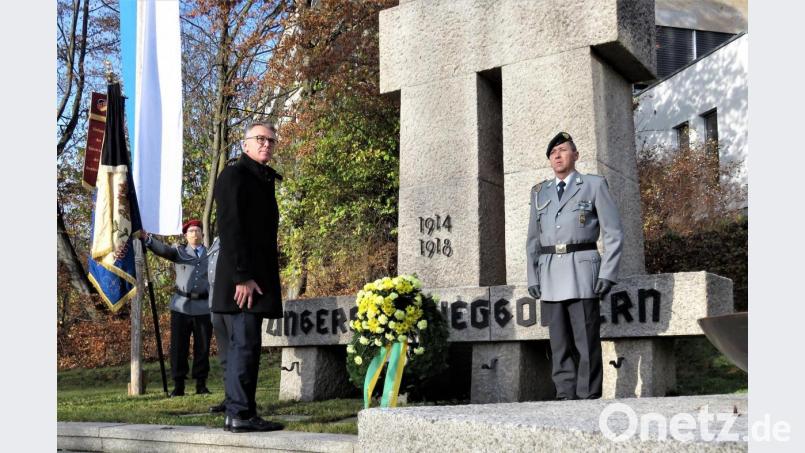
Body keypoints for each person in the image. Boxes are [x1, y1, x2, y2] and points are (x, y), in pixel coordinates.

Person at [525, 132, 624, 400]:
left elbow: (613, 233)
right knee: (558, 343)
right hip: (550, 276)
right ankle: (565, 394)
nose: (557, 156)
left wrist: (608, 273)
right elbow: (533, 240)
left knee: (586, 341)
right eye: (552, 152)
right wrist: (532, 277)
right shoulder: (539, 192)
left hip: (582, 273)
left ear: (576, 155)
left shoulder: (593, 185)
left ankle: (588, 395)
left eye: (562, 150)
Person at [212, 121, 284, 433]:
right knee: (245, 345)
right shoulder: (234, 175)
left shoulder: (260, 178)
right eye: (260, 139)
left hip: (253, 276)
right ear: (245, 145)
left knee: (247, 345)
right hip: (243, 280)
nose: (266, 144)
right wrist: (242, 276)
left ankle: (239, 412)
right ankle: (241, 414)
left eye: (271, 140)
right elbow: (230, 227)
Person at [144, 219, 213, 397]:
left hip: (204, 307)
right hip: (181, 306)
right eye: (191, 231)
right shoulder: (180, 252)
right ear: (185, 235)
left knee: (203, 347)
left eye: (197, 231)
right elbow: (164, 250)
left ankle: (201, 383)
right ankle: (179, 384)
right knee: (178, 347)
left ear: (202, 234)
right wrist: (148, 239)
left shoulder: (211, 254)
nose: (194, 234)